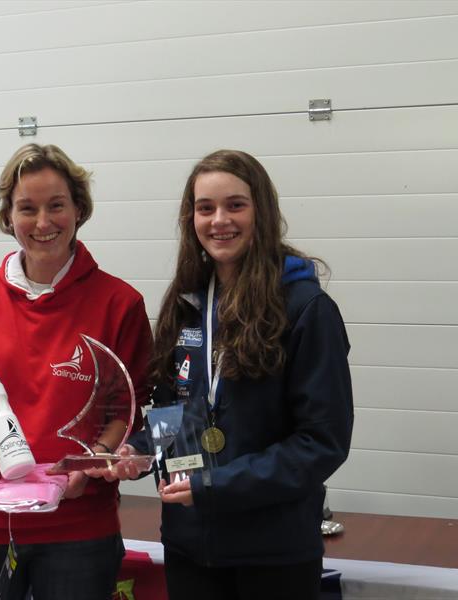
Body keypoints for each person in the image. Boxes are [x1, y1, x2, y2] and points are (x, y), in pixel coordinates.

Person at [104, 149, 353, 600]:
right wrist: (141, 452)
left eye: (235, 205)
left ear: (262, 211)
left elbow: (323, 442)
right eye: (205, 208)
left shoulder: (306, 309)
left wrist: (214, 485)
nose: (220, 220)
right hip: (190, 549)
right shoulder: (188, 302)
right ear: (191, 218)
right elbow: (175, 411)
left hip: (273, 554)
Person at [0, 143, 153, 600]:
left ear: (78, 208)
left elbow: (128, 410)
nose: (42, 223)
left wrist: (93, 459)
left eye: (56, 206)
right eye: (26, 208)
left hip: (79, 527)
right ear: (8, 216)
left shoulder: (121, 304)